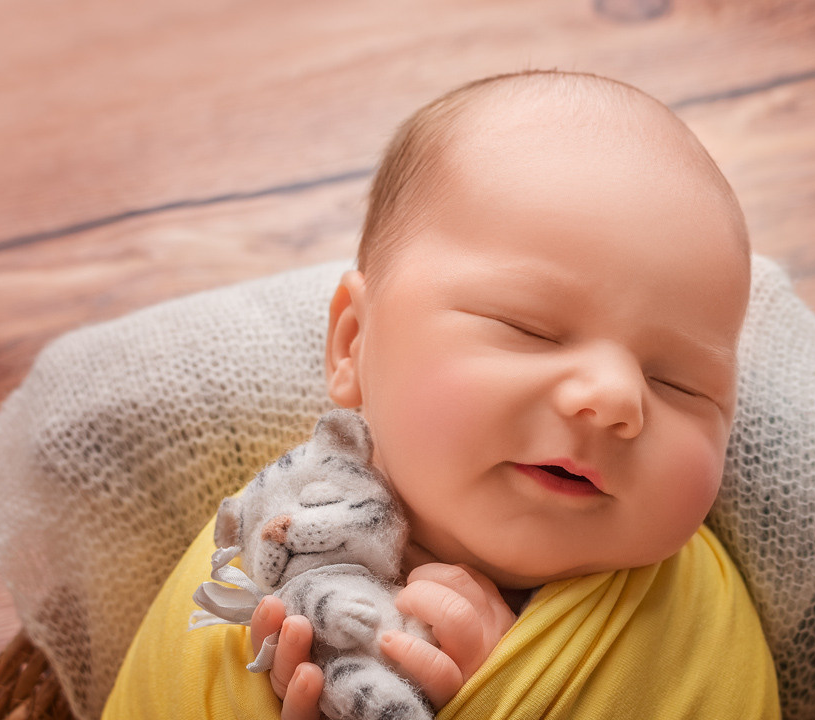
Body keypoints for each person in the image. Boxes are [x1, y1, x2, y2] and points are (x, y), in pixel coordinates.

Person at [103, 70, 778, 719]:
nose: (616, 398)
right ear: (354, 343)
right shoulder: (266, 548)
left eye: (679, 383)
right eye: (531, 329)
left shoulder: (692, 629)